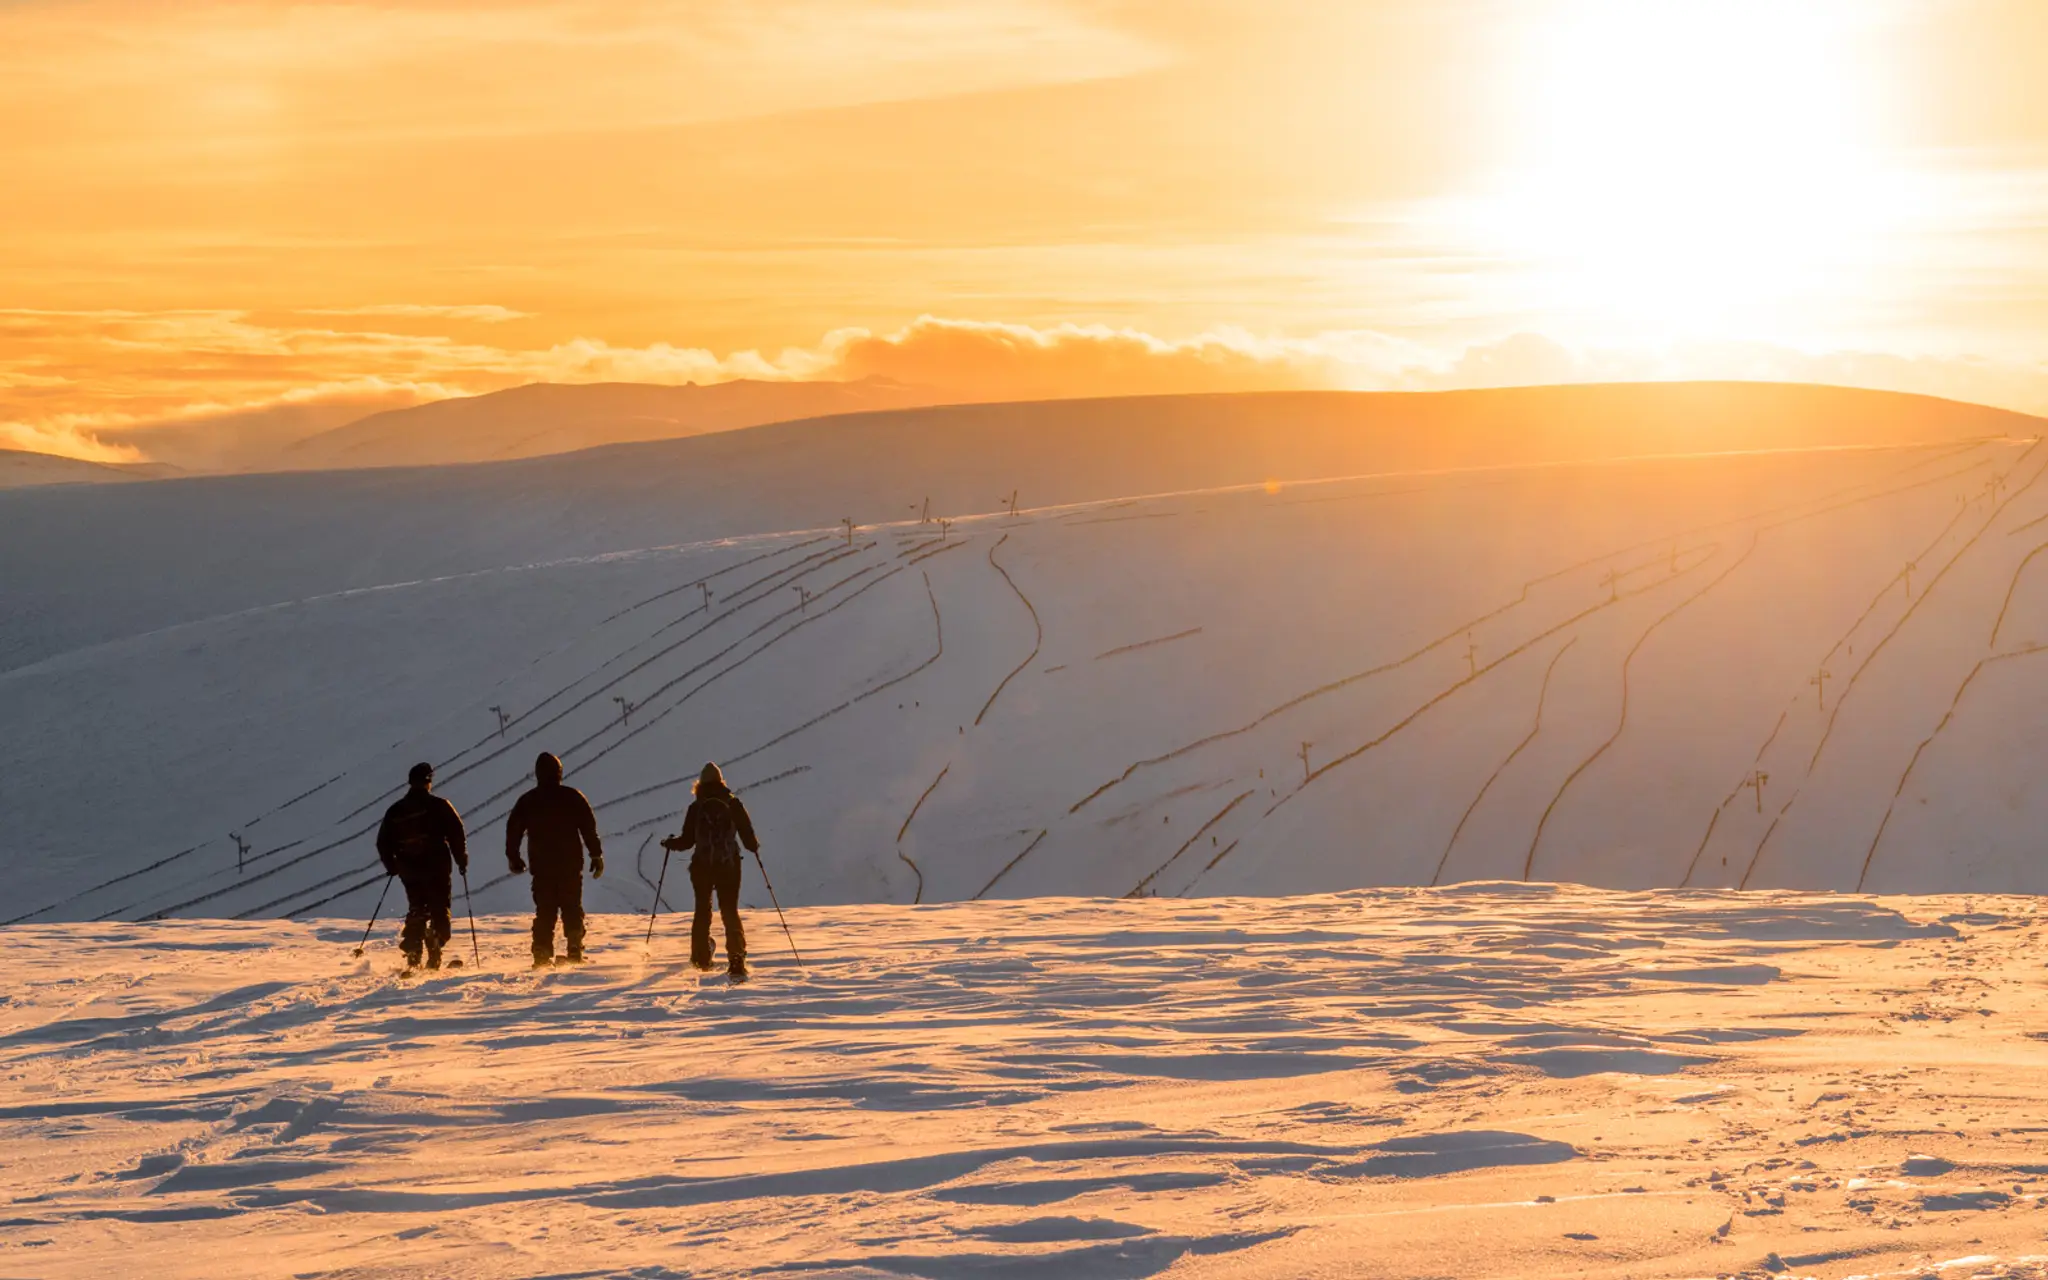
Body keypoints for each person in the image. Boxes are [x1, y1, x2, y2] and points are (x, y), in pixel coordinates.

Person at [661, 762, 759, 980]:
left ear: (700, 784)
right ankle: (736, 959)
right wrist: (754, 847)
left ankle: (701, 958)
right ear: (721, 781)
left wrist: (669, 843)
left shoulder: (696, 807)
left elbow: (687, 841)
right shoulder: (733, 804)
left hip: (702, 867)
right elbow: (749, 839)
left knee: (702, 911)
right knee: (729, 910)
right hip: (729, 866)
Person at [506, 752, 604, 966]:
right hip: (570, 864)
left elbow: (513, 831)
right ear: (559, 773)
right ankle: (574, 947)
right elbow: (588, 828)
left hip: (542, 866)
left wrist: (514, 857)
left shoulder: (528, 800)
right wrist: (595, 854)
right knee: (572, 906)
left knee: (545, 909)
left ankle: (542, 951)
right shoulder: (573, 797)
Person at [375, 762, 468, 970]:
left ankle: (413, 952)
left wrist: (392, 866)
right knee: (439, 906)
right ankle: (435, 940)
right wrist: (461, 859)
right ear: (428, 781)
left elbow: (383, 842)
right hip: (437, 866)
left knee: (417, 907)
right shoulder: (440, 805)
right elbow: (456, 832)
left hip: (409, 869)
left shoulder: (395, 810)